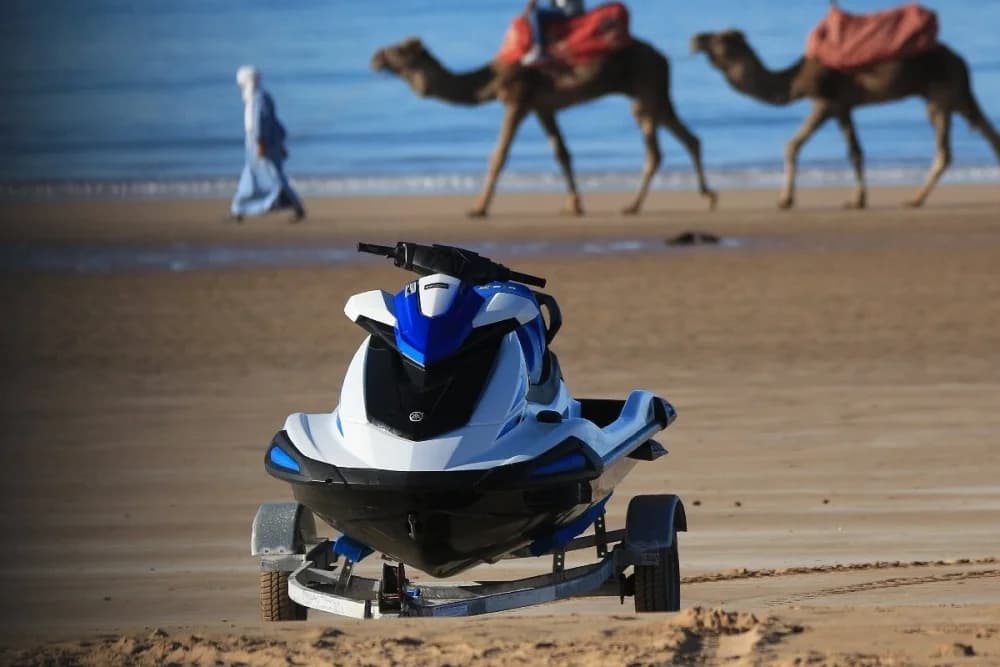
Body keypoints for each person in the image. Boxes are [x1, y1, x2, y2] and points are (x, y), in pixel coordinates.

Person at [231, 65, 305, 223]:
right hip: (258, 146)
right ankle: (238, 211)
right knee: (250, 178)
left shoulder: (259, 99)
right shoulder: (255, 98)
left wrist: (262, 144)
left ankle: (297, 209)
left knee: (275, 179)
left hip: (263, 145)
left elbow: (261, 124)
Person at [521, 0, 586, 66]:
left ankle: (540, 50)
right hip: (563, 11)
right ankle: (546, 49)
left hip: (570, 12)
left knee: (537, 13)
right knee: (538, 13)